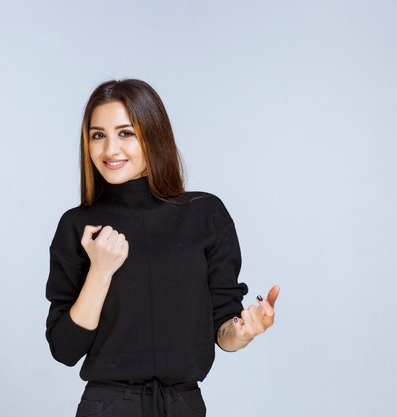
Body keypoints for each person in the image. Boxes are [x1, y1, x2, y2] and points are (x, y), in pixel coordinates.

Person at [45, 78, 281, 417]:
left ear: (153, 135)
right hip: (108, 406)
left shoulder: (205, 214)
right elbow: (65, 348)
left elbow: (224, 328)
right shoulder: (79, 227)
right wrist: (100, 271)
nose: (110, 149)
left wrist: (244, 332)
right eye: (98, 135)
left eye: (126, 133)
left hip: (183, 404)